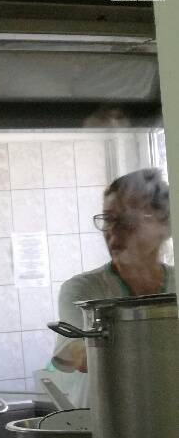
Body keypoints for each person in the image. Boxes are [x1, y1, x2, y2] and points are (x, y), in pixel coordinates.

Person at [52, 168, 174, 407]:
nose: (113, 232)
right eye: (108, 220)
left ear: (164, 227)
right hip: (105, 420)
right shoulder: (84, 289)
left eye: (128, 220)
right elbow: (81, 355)